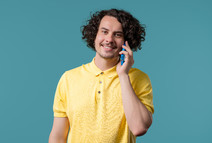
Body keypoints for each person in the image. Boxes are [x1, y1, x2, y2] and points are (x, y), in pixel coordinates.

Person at [49, 9, 154, 143]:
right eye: (104, 32)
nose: (109, 39)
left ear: (126, 42)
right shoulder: (68, 78)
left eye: (117, 34)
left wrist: (123, 75)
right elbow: (57, 136)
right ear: (95, 35)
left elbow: (139, 128)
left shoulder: (139, 78)